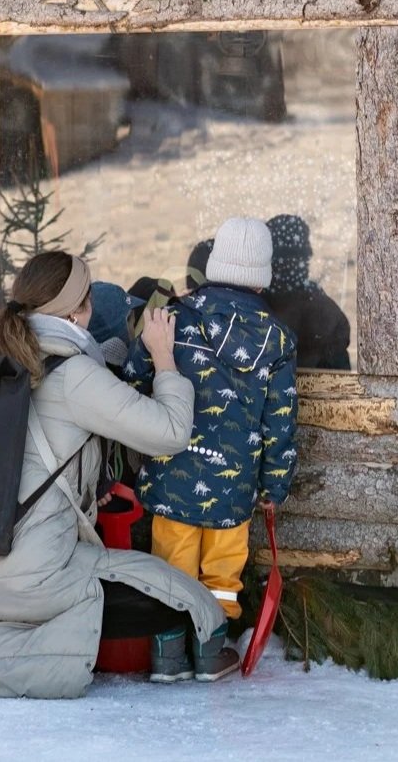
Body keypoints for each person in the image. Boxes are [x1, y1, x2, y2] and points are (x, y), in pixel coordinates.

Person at [0, 251, 226, 699]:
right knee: (176, 596)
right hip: (28, 579)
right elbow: (170, 432)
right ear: (79, 311)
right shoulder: (74, 373)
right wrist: (165, 361)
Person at [122, 217, 299, 682]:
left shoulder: (171, 319)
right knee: (223, 573)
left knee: (170, 567)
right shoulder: (276, 339)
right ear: (262, 274)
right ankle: (209, 651)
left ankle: (167, 655)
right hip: (235, 485)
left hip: (172, 474)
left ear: (215, 264)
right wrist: (275, 483)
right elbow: (280, 418)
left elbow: (135, 381)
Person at [265, 214, 352, 370]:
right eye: (300, 259)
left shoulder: (322, 311)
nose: (302, 265)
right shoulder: (323, 310)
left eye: (301, 259)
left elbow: (339, 382)